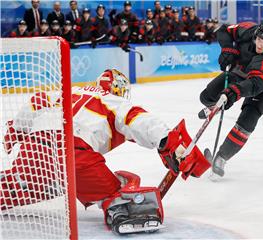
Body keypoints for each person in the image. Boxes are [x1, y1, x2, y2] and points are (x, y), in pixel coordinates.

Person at [1, 69, 209, 234]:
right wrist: (168, 143)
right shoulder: (112, 100)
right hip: (73, 155)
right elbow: (137, 119)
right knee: (121, 187)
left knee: (23, 185)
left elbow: (36, 101)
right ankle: (122, 209)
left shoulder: (69, 92)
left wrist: (16, 131)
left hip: (32, 150)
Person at [198, 19, 263, 177]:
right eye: (259, 39)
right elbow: (223, 30)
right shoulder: (248, 29)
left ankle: (221, 157)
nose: (260, 44)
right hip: (239, 73)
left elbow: (254, 85)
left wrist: (231, 93)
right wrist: (227, 49)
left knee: (248, 119)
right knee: (206, 96)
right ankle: (216, 106)